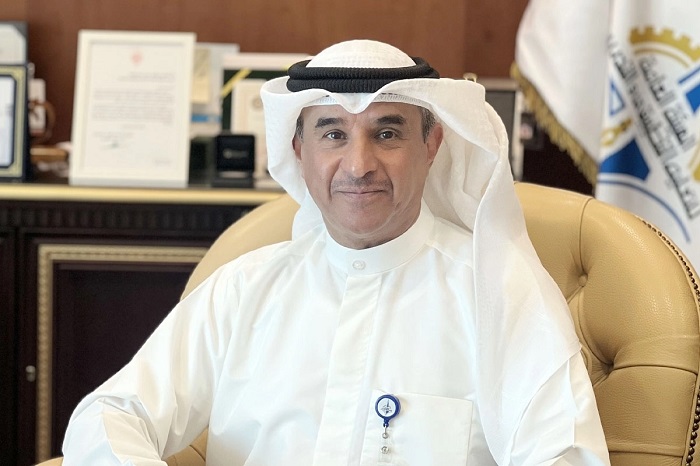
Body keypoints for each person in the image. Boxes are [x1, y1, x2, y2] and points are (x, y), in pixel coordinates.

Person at [62, 39, 610, 465]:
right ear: (298, 150)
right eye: (332, 134)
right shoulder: (243, 290)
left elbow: (567, 454)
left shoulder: (499, 292)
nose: (358, 165)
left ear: (432, 145)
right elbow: (108, 416)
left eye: (387, 133)